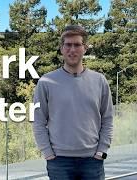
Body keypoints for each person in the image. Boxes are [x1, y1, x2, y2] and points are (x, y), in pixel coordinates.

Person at [33, 25, 113, 180]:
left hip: (92, 161)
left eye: (77, 45)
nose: (72, 49)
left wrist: (101, 151)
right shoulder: (46, 82)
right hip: (59, 162)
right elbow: (38, 120)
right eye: (68, 45)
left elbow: (108, 118)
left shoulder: (99, 81)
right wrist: (47, 153)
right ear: (62, 49)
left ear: (85, 48)